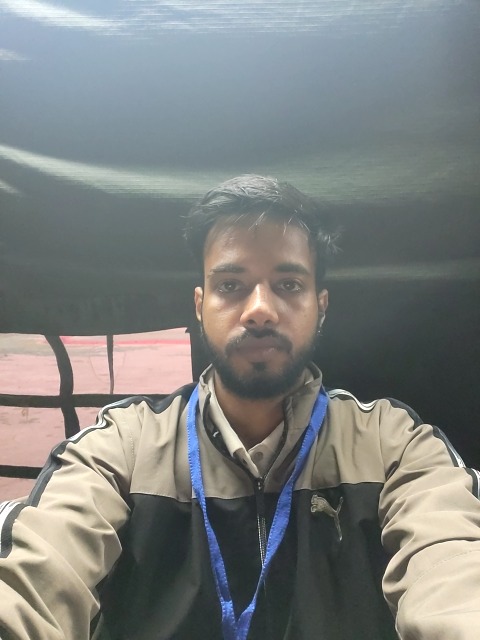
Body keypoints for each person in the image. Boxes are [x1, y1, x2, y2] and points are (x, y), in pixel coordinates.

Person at [1, 175, 479, 640]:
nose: (259, 310)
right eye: (231, 285)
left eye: (288, 285)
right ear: (199, 304)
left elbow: (453, 572)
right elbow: (37, 576)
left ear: (322, 305)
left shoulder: (394, 444)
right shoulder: (123, 445)